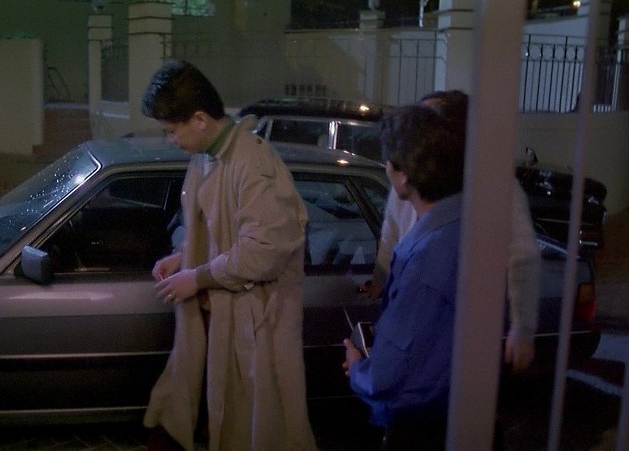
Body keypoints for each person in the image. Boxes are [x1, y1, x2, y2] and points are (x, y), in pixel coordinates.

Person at [140, 59, 317, 451]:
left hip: (255, 322)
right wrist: (184, 255)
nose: (170, 140)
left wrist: (196, 277)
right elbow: (216, 228)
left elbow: (264, 250)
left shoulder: (252, 162)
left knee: (256, 429)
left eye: (172, 130)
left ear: (200, 119)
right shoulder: (206, 157)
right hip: (220, 321)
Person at [366, 90, 541, 373]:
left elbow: (522, 256)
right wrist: (379, 282)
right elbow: (391, 236)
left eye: (430, 120)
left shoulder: (494, 184)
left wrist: (522, 327)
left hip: (467, 324)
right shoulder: (411, 176)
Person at [343, 104, 465, 450]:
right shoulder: (464, 228)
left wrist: (358, 368)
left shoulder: (425, 257)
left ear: (404, 176)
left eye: (389, 162)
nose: (386, 168)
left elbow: (386, 376)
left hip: (421, 425)